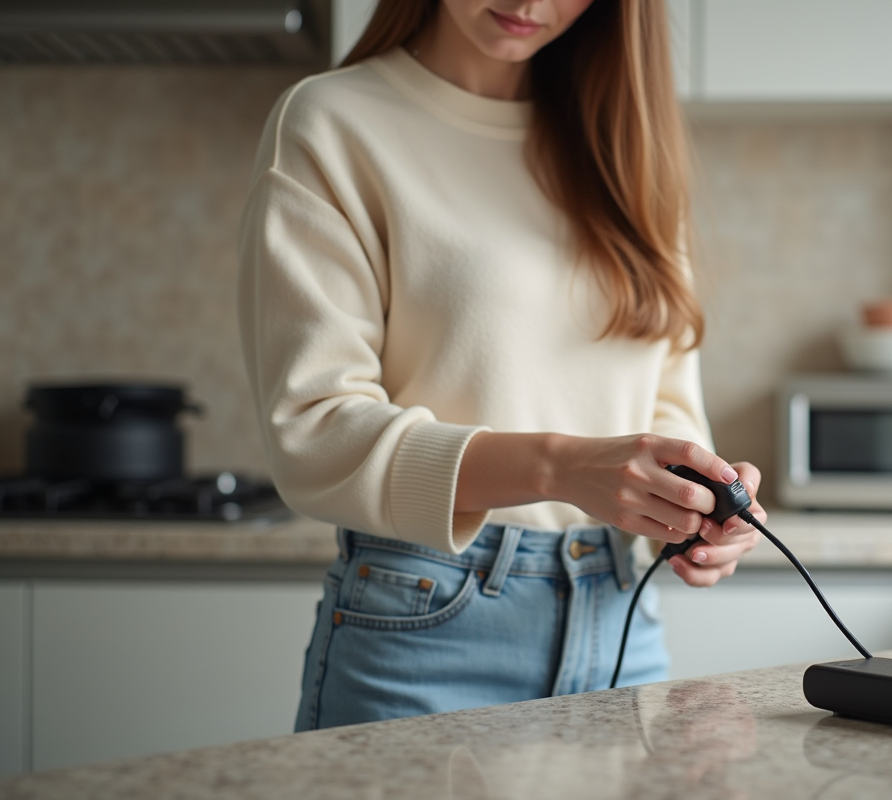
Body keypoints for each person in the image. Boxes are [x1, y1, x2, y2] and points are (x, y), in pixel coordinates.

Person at [237, 0, 767, 732]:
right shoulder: (333, 122)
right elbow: (315, 430)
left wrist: (697, 508)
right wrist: (559, 467)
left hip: (622, 628)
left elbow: (662, 399)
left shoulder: (629, 144)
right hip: (423, 631)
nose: (527, 3)